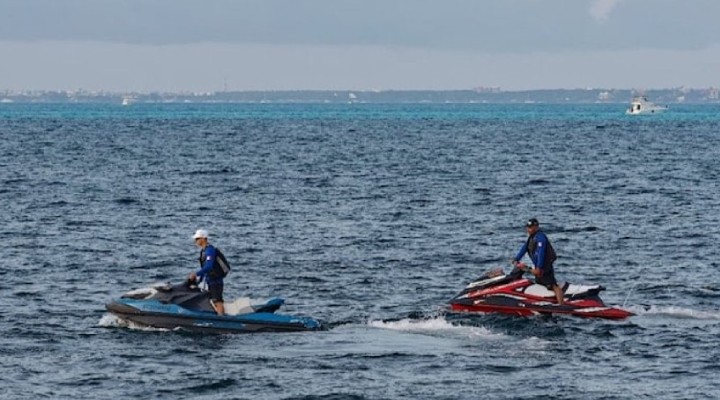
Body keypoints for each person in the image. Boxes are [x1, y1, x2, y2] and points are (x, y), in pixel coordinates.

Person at [511, 218, 564, 305]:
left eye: (530, 227)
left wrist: (539, 267)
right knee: (540, 283)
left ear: (536, 227)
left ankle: (561, 305)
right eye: (528, 227)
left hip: (545, 265)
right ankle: (544, 301)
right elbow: (524, 248)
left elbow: (541, 252)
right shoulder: (531, 237)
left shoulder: (540, 237)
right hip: (538, 266)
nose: (528, 229)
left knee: (553, 285)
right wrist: (516, 259)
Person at [188, 229, 230, 315]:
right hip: (210, 280)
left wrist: (196, 274)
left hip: (216, 280)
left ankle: (221, 319)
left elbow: (208, 266)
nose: (195, 241)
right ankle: (219, 316)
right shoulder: (203, 251)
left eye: (197, 239)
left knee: (217, 301)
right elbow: (205, 268)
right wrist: (198, 281)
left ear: (203, 239)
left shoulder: (210, 250)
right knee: (213, 300)